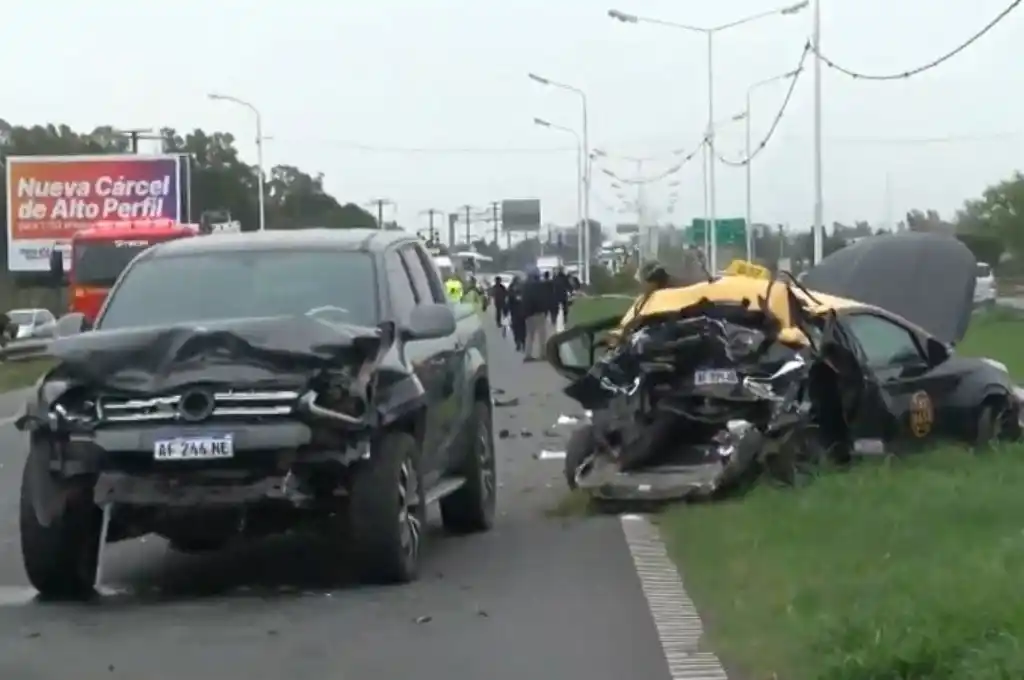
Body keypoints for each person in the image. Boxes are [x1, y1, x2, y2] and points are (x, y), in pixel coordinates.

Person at [521, 267, 550, 361]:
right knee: (542, 334)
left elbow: (524, 300)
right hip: (539, 312)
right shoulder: (540, 286)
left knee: (529, 335)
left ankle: (528, 355)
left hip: (528, 313)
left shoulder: (525, 286)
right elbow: (544, 298)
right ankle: (543, 354)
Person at [506, 276, 526, 351]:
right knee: (520, 328)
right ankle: (521, 342)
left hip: (517, 312)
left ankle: (520, 342)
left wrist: (506, 311)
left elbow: (508, 302)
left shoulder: (512, 289)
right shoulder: (522, 288)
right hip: (519, 312)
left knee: (517, 328)